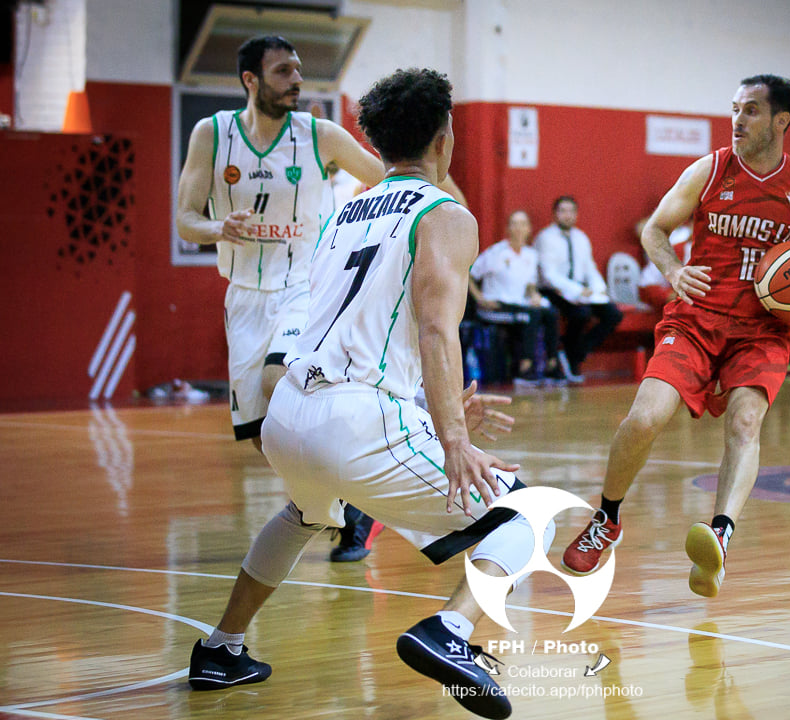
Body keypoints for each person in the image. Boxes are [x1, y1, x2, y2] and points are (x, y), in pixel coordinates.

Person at [187, 68, 547, 719]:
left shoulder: (342, 211)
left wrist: (414, 410)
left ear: (377, 145)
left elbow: (352, 329)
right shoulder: (446, 214)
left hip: (288, 410)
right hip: (350, 419)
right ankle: (451, 633)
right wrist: (452, 436)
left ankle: (221, 647)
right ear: (445, 138)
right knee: (526, 515)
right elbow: (437, 329)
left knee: (303, 513)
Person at [175, 37, 464, 563]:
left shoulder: (320, 135)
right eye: (283, 71)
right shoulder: (211, 135)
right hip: (243, 295)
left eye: (299, 69)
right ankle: (348, 502)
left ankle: (354, 502)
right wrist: (219, 226)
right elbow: (184, 220)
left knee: (276, 381)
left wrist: (450, 216)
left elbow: (401, 177)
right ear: (250, 80)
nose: (297, 80)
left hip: (304, 287)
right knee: (264, 428)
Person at [560, 74, 790, 597]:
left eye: (752, 110)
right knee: (643, 418)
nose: (738, 119)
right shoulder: (710, 170)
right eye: (736, 108)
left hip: (763, 329)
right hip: (696, 318)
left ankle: (719, 537)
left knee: (746, 421)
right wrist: (672, 271)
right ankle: (607, 519)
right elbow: (654, 229)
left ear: (781, 121)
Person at [468, 210, 564, 385]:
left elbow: (529, 284)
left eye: (523, 224)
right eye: (514, 223)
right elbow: (469, 275)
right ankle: (524, 369)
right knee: (531, 315)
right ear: (508, 228)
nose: (519, 228)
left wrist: (534, 294)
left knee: (550, 313)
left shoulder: (531, 255)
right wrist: (480, 298)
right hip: (496, 305)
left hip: (519, 303)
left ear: (529, 229)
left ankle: (552, 364)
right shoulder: (496, 253)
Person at [535, 196, 624, 383]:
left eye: (571, 211)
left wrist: (599, 289)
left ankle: (576, 351)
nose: (567, 216)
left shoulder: (581, 238)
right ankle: (571, 356)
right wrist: (575, 291)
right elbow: (549, 275)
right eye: (563, 211)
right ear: (555, 214)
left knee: (613, 314)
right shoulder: (545, 238)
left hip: (579, 289)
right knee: (581, 314)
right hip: (553, 289)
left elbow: (589, 269)